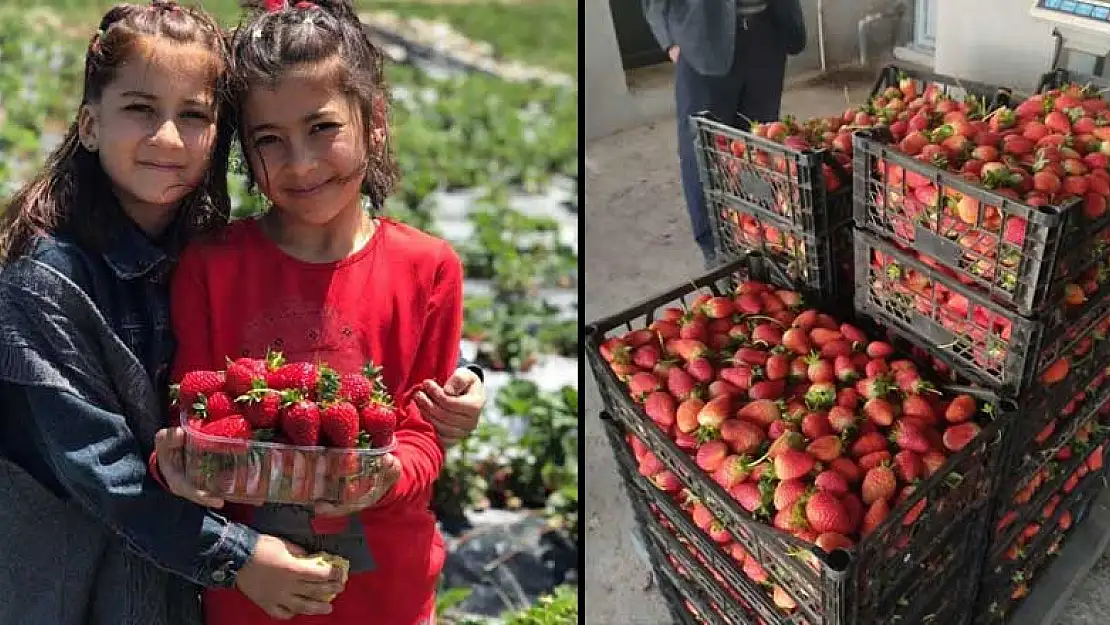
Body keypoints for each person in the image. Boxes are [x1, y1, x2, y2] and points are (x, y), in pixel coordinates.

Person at [0, 2, 348, 623]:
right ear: (87, 125)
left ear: (218, 137)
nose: (167, 137)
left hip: (174, 588)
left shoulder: (211, 255)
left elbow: (327, 320)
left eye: (193, 115)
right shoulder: (43, 281)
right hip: (63, 586)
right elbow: (102, 474)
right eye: (140, 109)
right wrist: (239, 557)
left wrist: (457, 381)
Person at [152, 1, 465, 623]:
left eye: (323, 128)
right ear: (244, 148)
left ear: (373, 120)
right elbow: (195, 416)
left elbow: (423, 435)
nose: (300, 164)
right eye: (271, 140)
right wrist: (182, 466)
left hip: (387, 594)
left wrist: (387, 473)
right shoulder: (211, 266)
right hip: (250, 587)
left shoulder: (428, 269)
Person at [641, 0, 807, 269]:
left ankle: (758, 237)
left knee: (758, 148)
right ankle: (715, 247)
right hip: (701, 42)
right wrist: (670, 40)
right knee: (703, 150)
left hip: (767, 32)